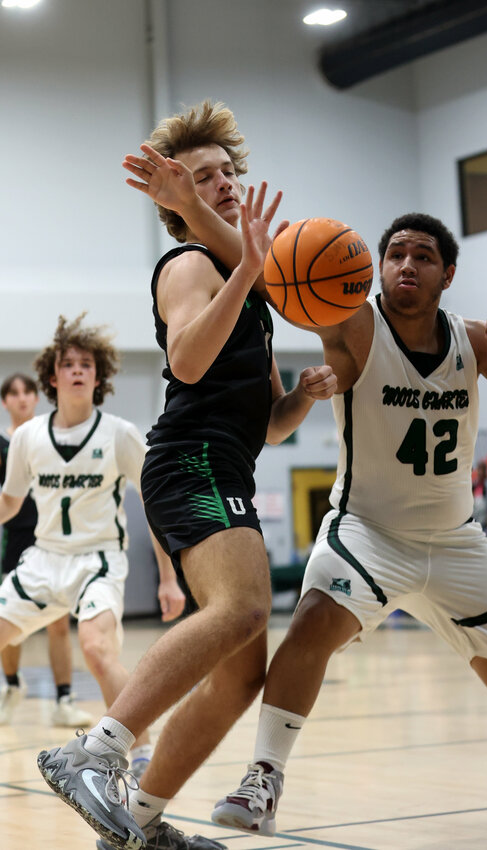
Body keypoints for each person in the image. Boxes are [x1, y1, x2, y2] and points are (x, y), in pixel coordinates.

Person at [201, 212, 487, 833]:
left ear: (448, 274)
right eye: (395, 253)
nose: (407, 265)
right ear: (376, 266)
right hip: (367, 529)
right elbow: (270, 271)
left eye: (423, 257)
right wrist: (193, 210)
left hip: (456, 539)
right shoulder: (354, 322)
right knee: (313, 624)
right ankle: (263, 775)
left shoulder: (476, 341)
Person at [38, 101, 337, 850]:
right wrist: (247, 273)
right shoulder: (190, 264)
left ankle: (134, 822)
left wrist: (300, 396)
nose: (225, 183)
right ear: (178, 202)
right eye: (203, 177)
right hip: (190, 455)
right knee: (239, 611)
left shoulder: (255, 292)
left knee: (241, 674)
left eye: (229, 171)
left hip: (226, 458)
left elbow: (266, 424)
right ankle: (93, 751)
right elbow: (187, 363)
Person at [0, 315, 185, 766]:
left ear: (98, 376)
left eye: (86, 363)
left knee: (98, 650)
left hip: (98, 562)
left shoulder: (119, 434)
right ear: (53, 375)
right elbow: (8, 503)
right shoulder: (27, 438)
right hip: (43, 560)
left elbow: (152, 504)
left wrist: (168, 579)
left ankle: (140, 752)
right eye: (69, 363)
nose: (78, 370)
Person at [0, 373, 92, 727]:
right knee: (12, 618)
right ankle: (11, 686)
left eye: (27, 392)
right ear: (5, 402)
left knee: (57, 622)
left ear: (36, 398)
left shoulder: (51, 437)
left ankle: (64, 700)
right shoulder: (5, 444)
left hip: (52, 538)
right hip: (16, 538)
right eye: (14, 393)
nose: (22, 399)